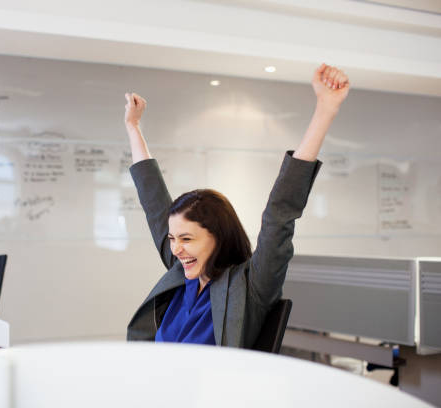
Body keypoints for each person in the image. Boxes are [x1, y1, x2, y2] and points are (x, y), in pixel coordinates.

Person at [124, 64, 349, 347]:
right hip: (155, 384)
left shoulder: (250, 285)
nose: (176, 248)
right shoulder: (181, 272)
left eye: (186, 238)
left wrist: (326, 109)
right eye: (172, 238)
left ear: (217, 237)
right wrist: (133, 127)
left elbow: (279, 213)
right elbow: (153, 199)